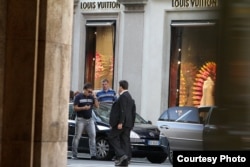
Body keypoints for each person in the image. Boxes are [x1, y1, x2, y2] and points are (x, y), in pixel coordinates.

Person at [108, 80, 136, 166]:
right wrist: (131, 124)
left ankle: (121, 154)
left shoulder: (123, 96)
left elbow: (122, 110)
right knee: (125, 141)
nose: (118, 88)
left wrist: (121, 122)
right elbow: (133, 112)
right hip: (128, 124)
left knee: (111, 136)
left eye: (119, 86)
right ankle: (125, 160)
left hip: (122, 123)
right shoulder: (130, 97)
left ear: (121, 87)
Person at [71, 83, 99, 160]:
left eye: (91, 91)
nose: (89, 93)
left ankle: (93, 155)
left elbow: (97, 106)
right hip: (80, 119)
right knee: (77, 136)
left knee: (93, 135)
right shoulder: (78, 97)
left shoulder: (91, 97)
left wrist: (95, 96)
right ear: (84, 90)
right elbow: (75, 108)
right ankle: (74, 154)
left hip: (89, 119)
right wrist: (83, 108)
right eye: (88, 91)